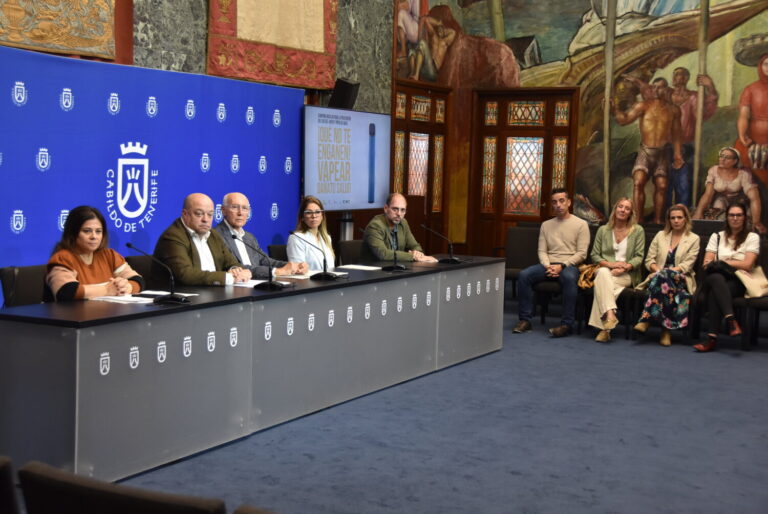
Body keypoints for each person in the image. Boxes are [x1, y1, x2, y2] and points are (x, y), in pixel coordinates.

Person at [513, 188, 590, 337]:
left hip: (569, 265)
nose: (558, 205)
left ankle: (566, 325)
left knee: (569, 278)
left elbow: (582, 253)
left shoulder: (581, 224)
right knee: (524, 275)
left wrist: (562, 266)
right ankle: (525, 320)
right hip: (548, 264)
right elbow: (542, 250)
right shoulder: (546, 225)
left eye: (562, 201)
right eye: (554, 202)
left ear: (569, 202)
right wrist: (548, 265)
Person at [612, 77, 684, 224]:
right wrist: (615, 108)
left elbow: (677, 133)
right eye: (655, 87)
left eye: (661, 87)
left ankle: (657, 220)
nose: (658, 90)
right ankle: (638, 220)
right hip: (645, 151)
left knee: (662, 186)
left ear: (667, 90)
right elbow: (624, 120)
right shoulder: (643, 106)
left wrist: (677, 154)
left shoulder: (673, 110)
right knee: (638, 182)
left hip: (662, 152)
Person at [694, 203, 759, 352]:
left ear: (744, 218)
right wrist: (735, 263)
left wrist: (722, 262)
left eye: (739, 215)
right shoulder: (717, 237)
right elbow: (706, 264)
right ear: (727, 218)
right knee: (716, 277)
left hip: (738, 281)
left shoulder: (752, 237)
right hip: (712, 279)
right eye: (731, 215)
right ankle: (731, 320)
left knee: (715, 292)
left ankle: (711, 339)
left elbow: (748, 264)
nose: (735, 218)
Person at [45, 206, 143, 301]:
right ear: (73, 233)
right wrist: (107, 289)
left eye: (98, 231)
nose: (94, 236)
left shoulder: (109, 255)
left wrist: (126, 287)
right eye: (87, 231)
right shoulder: (63, 258)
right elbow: (66, 292)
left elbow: (138, 280)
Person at [634, 204, 700, 346]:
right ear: (668, 220)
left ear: (686, 219)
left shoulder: (694, 238)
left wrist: (666, 272)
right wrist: (659, 271)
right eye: (672, 218)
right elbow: (649, 260)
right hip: (658, 276)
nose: (676, 220)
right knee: (664, 284)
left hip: (680, 278)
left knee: (664, 279)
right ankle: (665, 330)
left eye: (679, 218)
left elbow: (687, 265)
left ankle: (646, 319)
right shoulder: (660, 236)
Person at [153, 193, 252, 286]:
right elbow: (185, 274)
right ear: (185, 214)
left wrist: (237, 271)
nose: (205, 219)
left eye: (210, 214)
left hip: (212, 292)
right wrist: (229, 277)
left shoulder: (213, 235)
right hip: (182, 297)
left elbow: (231, 262)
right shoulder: (173, 236)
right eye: (199, 214)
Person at [588, 197, 645, 342]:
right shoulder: (603, 230)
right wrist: (611, 265)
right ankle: (610, 316)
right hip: (606, 269)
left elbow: (639, 257)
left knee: (602, 283)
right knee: (603, 273)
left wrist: (626, 266)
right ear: (615, 208)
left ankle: (605, 326)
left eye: (627, 208)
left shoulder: (638, 230)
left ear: (631, 212)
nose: (623, 210)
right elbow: (594, 255)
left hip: (627, 274)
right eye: (620, 206)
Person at [214, 192, 308, 278]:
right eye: (234, 207)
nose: (240, 213)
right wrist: (276, 271)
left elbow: (265, 261)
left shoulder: (249, 237)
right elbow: (235, 267)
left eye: (245, 208)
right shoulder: (216, 236)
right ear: (223, 210)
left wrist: (293, 266)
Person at [668, 67, 719, 207]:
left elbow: (705, 113)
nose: (678, 77)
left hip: (687, 144)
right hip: (666, 144)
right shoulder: (666, 96)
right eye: (676, 74)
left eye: (682, 74)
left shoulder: (693, 97)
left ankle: (683, 210)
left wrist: (710, 87)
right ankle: (663, 215)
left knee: (684, 182)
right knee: (665, 181)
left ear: (687, 78)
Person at [692, 147, 764, 232]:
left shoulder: (743, 173)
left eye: (727, 157)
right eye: (721, 156)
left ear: (735, 161)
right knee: (718, 207)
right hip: (721, 201)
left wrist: (756, 222)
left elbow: (754, 198)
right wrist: (698, 212)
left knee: (743, 221)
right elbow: (708, 194)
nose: (722, 159)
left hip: (739, 202)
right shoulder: (713, 170)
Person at [360, 193, 438, 263]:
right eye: (395, 209)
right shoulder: (375, 226)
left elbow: (415, 246)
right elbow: (383, 254)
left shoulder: (403, 223)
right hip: (374, 271)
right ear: (386, 208)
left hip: (395, 268)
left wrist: (417, 253)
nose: (399, 214)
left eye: (402, 210)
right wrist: (412, 256)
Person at [734, 53, 768, 173]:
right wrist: (743, 136)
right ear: (760, 66)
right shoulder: (750, 89)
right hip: (753, 139)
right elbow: (744, 116)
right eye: (766, 64)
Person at [287, 196, 335, 272]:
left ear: (322, 215)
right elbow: (298, 271)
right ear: (302, 217)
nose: (314, 216)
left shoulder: (327, 238)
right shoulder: (296, 238)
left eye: (317, 212)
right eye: (309, 212)